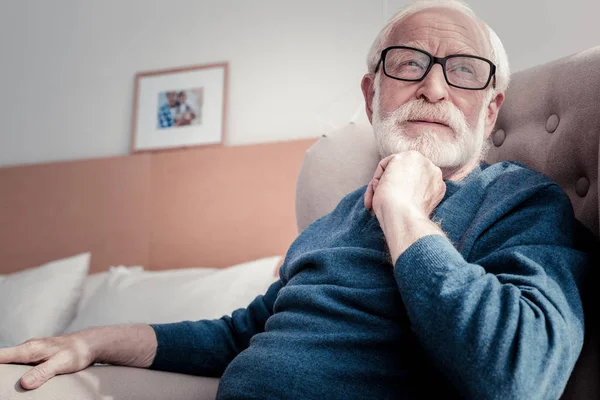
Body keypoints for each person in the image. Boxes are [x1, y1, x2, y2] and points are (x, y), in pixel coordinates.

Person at [0, 1, 595, 398]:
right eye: (409, 64)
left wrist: (403, 212)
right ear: (372, 97)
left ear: (490, 108)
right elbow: (240, 333)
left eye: (464, 71)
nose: (433, 86)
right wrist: (92, 340)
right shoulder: (334, 220)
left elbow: (519, 374)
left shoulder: (520, 202)